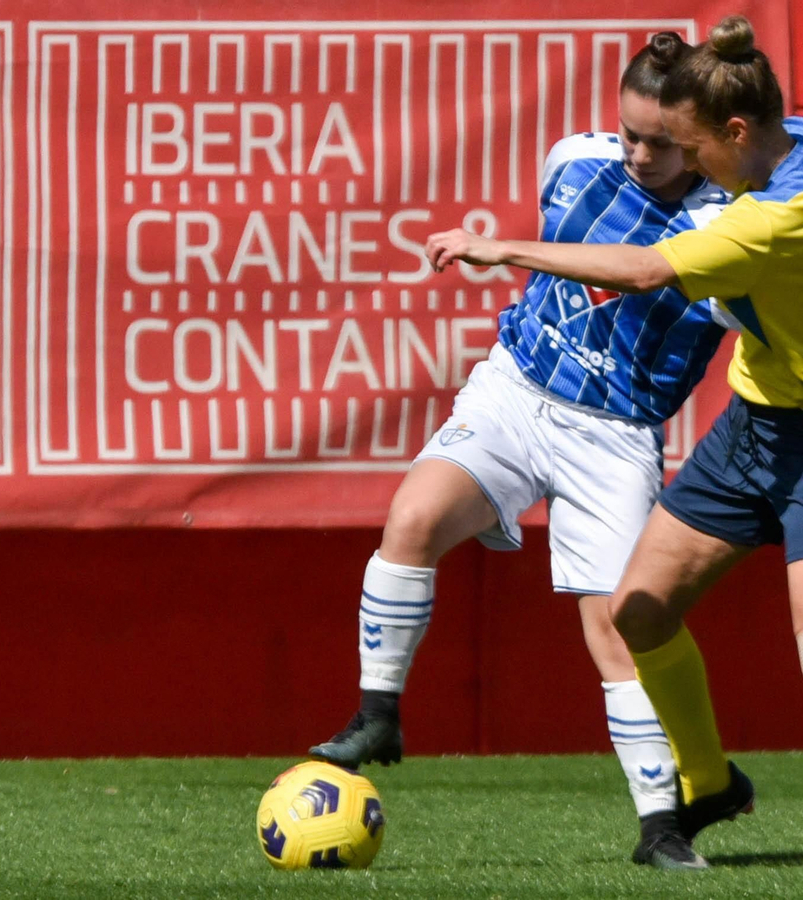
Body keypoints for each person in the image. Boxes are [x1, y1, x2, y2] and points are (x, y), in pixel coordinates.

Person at [422, 15, 803, 871]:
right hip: (753, 427)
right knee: (638, 610)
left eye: (692, 148)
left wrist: (498, 249)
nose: (688, 167)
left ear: (737, 133)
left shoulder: (767, 224)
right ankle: (710, 783)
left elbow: (642, 271)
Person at [310, 33, 739, 869]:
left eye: (664, 141)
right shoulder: (575, 161)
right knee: (412, 519)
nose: (642, 154)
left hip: (611, 436)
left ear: (703, 136)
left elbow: (641, 269)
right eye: (631, 134)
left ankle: (662, 826)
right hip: (514, 389)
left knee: (619, 630)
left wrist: (502, 247)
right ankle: (378, 714)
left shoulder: (728, 222)